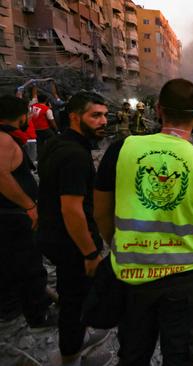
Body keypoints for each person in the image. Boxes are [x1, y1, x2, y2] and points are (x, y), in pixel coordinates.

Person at [94, 79, 193, 366]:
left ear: (158, 109)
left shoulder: (120, 150)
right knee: (181, 356)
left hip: (132, 275)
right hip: (183, 282)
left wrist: (117, 243)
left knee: (134, 352)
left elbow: (101, 211)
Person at [37, 92, 112, 366]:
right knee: (74, 300)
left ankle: (76, 343)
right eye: (95, 115)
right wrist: (90, 253)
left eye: (105, 115)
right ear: (74, 117)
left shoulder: (57, 144)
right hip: (72, 244)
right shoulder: (75, 156)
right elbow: (72, 209)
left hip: (53, 236)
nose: (103, 121)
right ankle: (69, 357)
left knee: (74, 298)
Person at [0, 95, 55, 328]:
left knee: (10, 263)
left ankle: (11, 307)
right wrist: (29, 205)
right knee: (29, 265)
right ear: (21, 116)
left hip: (9, 215)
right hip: (13, 216)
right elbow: (1, 176)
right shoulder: (3, 140)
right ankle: (38, 313)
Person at [30, 87, 58, 159]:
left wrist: (34, 86)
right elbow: (52, 121)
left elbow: (34, 96)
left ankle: (39, 157)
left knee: (39, 144)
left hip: (35, 129)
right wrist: (57, 130)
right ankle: (53, 153)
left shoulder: (31, 106)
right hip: (44, 129)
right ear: (46, 100)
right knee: (54, 139)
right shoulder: (47, 109)